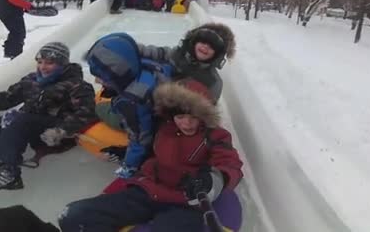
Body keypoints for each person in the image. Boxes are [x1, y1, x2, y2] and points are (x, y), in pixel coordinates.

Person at [58, 81, 244, 232]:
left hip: (186, 203)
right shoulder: (164, 129)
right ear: (171, 115)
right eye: (180, 116)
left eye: (193, 117)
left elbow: (230, 164)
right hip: (149, 192)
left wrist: (214, 179)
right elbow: (148, 152)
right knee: (74, 215)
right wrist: (123, 152)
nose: (186, 123)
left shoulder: (215, 135)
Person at [0, 42, 97, 190]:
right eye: (40, 62)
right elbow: (7, 98)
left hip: (54, 134)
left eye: (49, 63)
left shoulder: (77, 85)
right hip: (26, 126)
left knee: (16, 118)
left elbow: (85, 113)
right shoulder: (32, 80)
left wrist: (62, 130)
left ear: (62, 64)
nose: (43, 67)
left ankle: (8, 172)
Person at [85, 33, 172, 178]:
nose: (97, 81)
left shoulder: (131, 101)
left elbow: (140, 138)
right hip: (157, 103)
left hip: (151, 119)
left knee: (100, 108)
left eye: (101, 77)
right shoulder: (148, 64)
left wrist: (129, 165)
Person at [138, 23, 235, 102]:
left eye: (212, 46)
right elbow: (157, 52)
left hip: (174, 111)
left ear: (218, 55)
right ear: (194, 41)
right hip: (149, 93)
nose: (205, 47)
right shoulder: (178, 54)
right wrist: (135, 47)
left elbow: (206, 110)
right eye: (203, 41)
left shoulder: (213, 81)